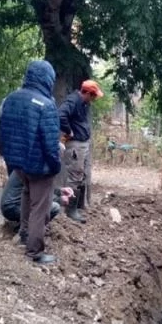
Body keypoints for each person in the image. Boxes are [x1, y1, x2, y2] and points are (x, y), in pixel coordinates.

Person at [0, 60, 61, 265]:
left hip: (18, 163)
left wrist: (6, 154)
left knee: (26, 194)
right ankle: (35, 252)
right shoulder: (47, 105)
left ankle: (24, 234)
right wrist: (55, 166)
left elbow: (1, 131)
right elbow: (51, 144)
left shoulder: (11, 99)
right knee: (40, 207)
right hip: (39, 166)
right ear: (48, 79)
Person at [58, 79, 104, 223]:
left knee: (79, 175)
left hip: (82, 144)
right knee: (74, 176)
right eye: (94, 96)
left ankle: (75, 208)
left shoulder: (83, 103)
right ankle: (70, 211)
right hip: (75, 146)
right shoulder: (73, 101)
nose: (94, 99)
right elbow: (61, 115)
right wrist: (69, 131)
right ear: (88, 93)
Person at [0, 171, 75, 240]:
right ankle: (28, 233)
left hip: (10, 205)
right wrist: (60, 200)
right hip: (13, 207)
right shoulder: (35, 168)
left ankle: (21, 226)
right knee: (54, 208)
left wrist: (60, 191)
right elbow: (38, 196)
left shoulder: (30, 162)